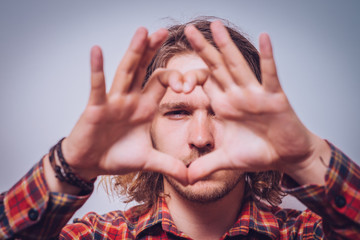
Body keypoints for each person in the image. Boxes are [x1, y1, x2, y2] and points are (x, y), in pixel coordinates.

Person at [0, 18, 359, 240]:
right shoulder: (95, 236)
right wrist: (69, 166)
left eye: (223, 113)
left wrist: (308, 157)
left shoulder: (306, 234)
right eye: (177, 112)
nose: (201, 138)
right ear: (146, 128)